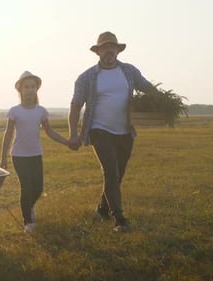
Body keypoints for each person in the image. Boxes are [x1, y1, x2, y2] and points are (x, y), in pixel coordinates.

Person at [68, 31, 161, 232]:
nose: (109, 50)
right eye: (105, 47)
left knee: (118, 174)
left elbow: (147, 88)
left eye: (113, 47)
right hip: (99, 130)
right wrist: (73, 134)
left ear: (117, 50)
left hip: (125, 131)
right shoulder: (87, 77)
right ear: (98, 51)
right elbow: (75, 106)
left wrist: (164, 100)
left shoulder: (129, 71)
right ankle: (119, 219)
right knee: (110, 171)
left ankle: (102, 208)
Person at [0, 71, 69, 233]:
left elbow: (50, 132)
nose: (30, 90)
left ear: (36, 89)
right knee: (26, 186)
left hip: (35, 154)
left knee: (38, 188)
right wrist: (3, 158)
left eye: (33, 87)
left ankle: (28, 207)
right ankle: (28, 222)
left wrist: (66, 142)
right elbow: (8, 134)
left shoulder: (41, 111)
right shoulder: (14, 111)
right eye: (26, 87)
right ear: (20, 90)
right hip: (19, 155)